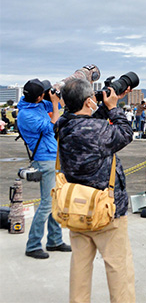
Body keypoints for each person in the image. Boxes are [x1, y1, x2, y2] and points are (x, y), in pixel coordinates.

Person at [57, 78, 135, 303]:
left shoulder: (63, 125)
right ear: (88, 101)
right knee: (118, 268)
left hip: (76, 208)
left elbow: (86, 123)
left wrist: (100, 105)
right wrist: (112, 107)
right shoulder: (97, 130)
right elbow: (125, 133)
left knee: (80, 269)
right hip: (106, 210)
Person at [17, 79, 71, 259]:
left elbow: (62, 104)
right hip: (44, 159)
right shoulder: (25, 115)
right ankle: (32, 245)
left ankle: (54, 240)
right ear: (38, 97)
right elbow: (53, 123)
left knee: (56, 201)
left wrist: (56, 95)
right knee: (47, 204)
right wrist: (55, 104)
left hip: (54, 157)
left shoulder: (36, 103)